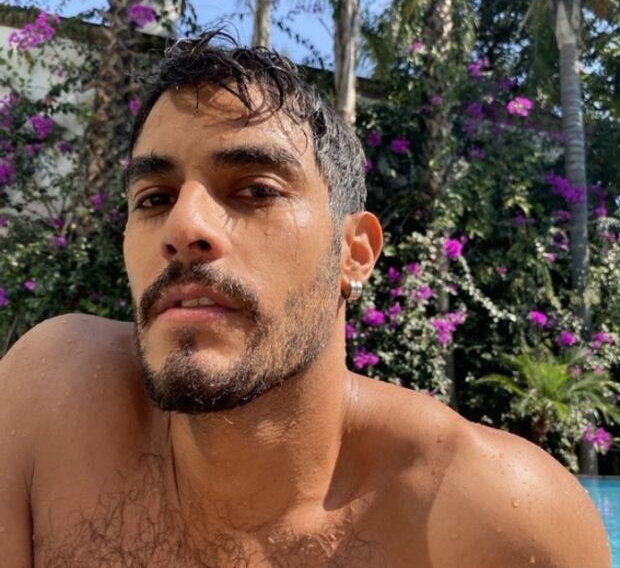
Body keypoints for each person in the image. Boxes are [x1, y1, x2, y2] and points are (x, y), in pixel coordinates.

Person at [0, 30, 610, 567]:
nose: (183, 226)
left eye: (255, 190)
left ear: (354, 254)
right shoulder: (46, 402)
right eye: (154, 198)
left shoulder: (494, 520)